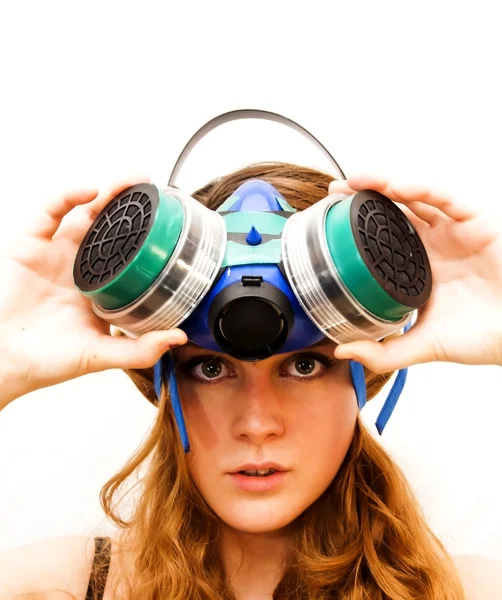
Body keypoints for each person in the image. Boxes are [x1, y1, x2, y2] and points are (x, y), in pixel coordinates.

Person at [1, 162, 501, 600]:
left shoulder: (468, 591)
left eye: (304, 365)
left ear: (363, 373)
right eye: (211, 368)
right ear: (165, 380)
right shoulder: (54, 586)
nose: (257, 423)